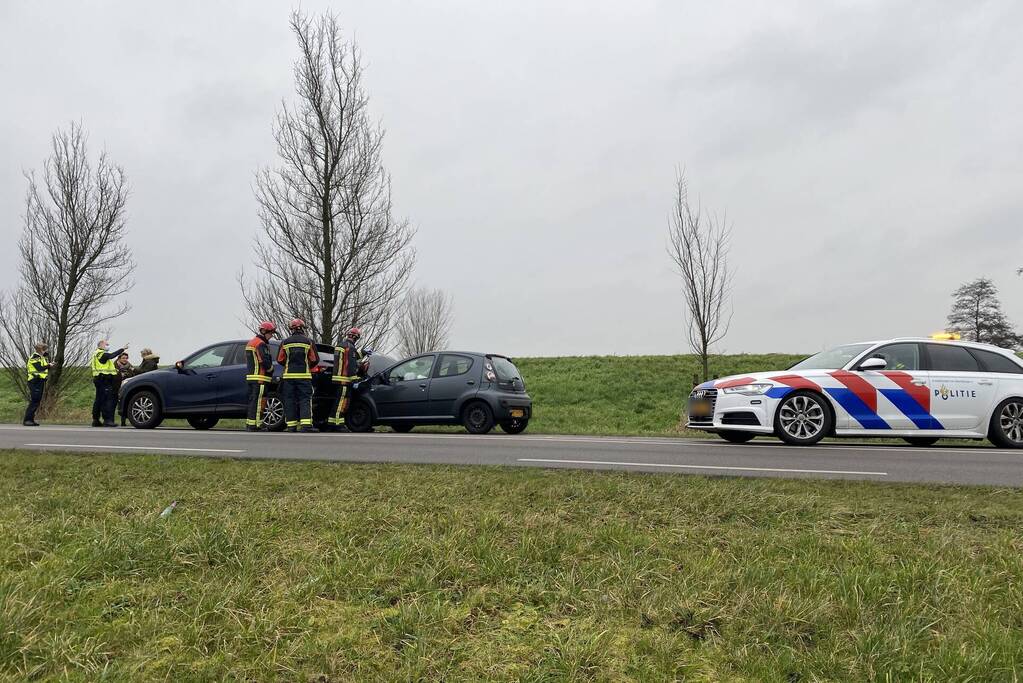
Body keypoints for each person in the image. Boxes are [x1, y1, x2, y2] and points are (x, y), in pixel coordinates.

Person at [276, 319, 319, 433]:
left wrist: (288, 365)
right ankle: (306, 426)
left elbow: (280, 359)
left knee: (289, 400)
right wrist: (307, 366)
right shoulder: (308, 341)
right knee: (305, 399)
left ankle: (291, 426)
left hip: (288, 377)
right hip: (304, 376)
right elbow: (314, 359)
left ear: (292, 329)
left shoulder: (285, 342)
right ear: (302, 328)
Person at [328, 327, 368, 432]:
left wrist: (363, 353)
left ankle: (331, 423)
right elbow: (350, 364)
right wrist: (355, 380)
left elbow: (350, 357)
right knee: (342, 403)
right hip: (344, 380)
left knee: (337, 402)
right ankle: (338, 424)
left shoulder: (341, 345)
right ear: (356, 337)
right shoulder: (350, 347)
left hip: (338, 379)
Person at [245, 322, 277, 431]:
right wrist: (271, 369)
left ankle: (250, 423)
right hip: (260, 378)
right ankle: (256, 425)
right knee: (259, 402)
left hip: (252, 377)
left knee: (253, 401)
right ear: (264, 332)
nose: (272, 335)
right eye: (271, 333)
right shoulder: (261, 344)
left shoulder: (251, 343)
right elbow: (264, 360)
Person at [91, 339, 127, 427]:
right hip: (103, 379)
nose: (108, 346)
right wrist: (122, 349)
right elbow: (111, 355)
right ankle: (107, 420)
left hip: (100, 379)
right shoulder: (100, 353)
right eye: (106, 344)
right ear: (100, 345)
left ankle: (96, 420)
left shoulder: (98, 354)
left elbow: (106, 364)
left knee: (99, 400)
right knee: (106, 400)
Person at [23, 343, 50, 427]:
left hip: (39, 381)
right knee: (34, 400)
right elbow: (39, 368)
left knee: (37, 401)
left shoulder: (41, 357)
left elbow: (44, 364)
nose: (46, 351)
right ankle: (27, 420)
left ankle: (31, 420)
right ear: (40, 350)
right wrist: (49, 365)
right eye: (44, 349)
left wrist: (48, 363)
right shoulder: (35, 357)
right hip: (35, 381)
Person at [114, 353, 135, 426]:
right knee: (114, 403)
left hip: (126, 386)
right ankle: (110, 420)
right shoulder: (115, 365)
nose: (125, 360)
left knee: (125, 401)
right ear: (119, 358)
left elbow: (133, 374)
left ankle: (123, 421)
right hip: (117, 386)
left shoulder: (129, 366)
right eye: (123, 358)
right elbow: (115, 376)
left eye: (126, 358)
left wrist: (126, 375)